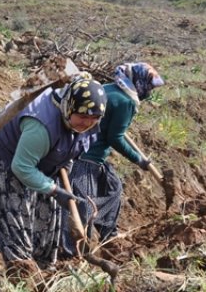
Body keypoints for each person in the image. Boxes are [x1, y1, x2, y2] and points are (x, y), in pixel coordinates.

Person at [0, 72, 106, 275]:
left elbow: (76, 143)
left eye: (94, 118)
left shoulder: (87, 121)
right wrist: (54, 190)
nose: (87, 123)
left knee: (47, 221)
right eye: (83, 117)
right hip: (7, 157)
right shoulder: (41, 125)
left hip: (43, 161)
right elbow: (21, 167)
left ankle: (45, 271)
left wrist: (65, 164)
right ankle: (21, 275)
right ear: (68, 107)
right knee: (16, 217)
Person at [61, 63, 165, 255]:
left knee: (113, 187)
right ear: (138, 82)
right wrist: (139, 160)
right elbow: (115, 138)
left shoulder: (110, 88)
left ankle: (109, 236)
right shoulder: (126, 102)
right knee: (83, 204)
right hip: (86, 157)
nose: (149, 92)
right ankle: (73, 252)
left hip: (88, 153)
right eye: (148, 86)